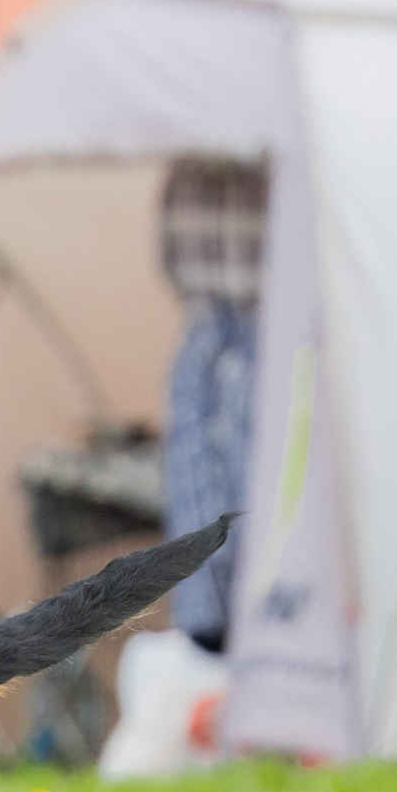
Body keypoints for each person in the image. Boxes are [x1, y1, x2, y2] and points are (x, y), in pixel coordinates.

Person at [157, 157, 267, 655]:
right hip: (237, 350)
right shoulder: (279, 163)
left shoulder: (183, 167)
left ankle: (221, 626)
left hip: (237, 348)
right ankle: (220, 628)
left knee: (223, 497)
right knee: (232, 498)